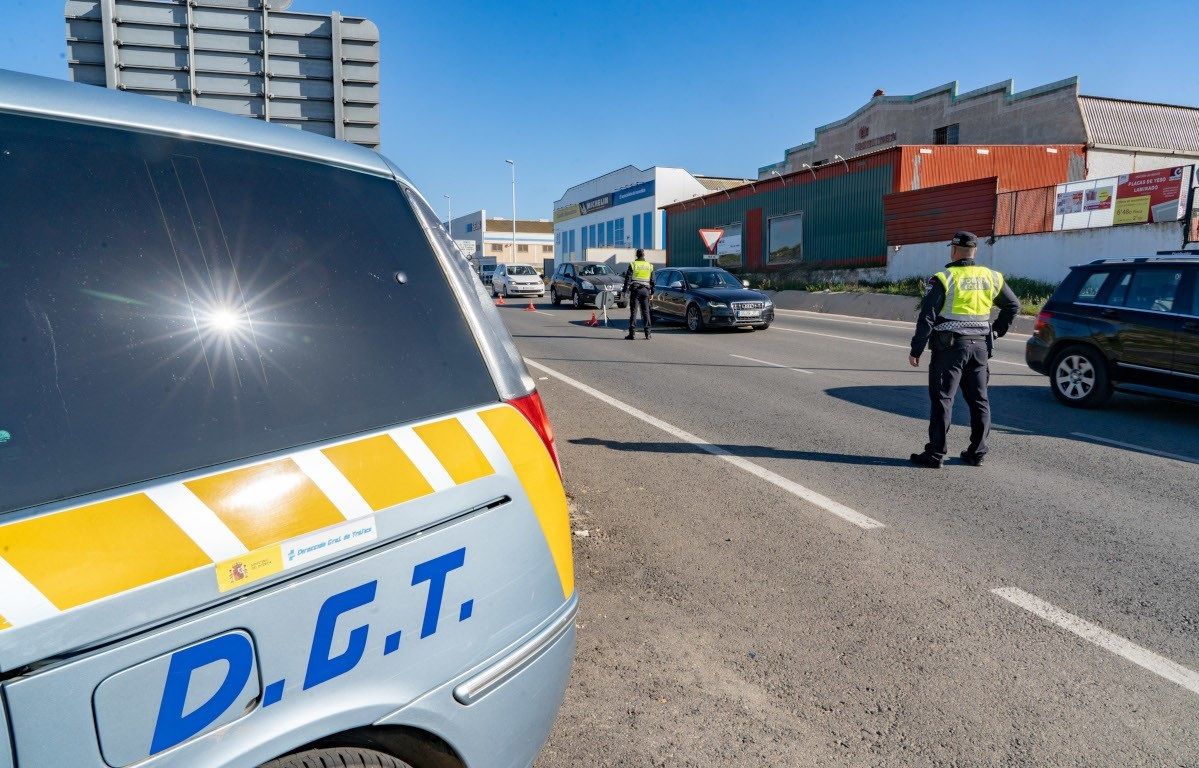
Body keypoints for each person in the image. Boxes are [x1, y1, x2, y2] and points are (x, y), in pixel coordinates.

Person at [908, 231, 1020, 468]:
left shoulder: (945, 278)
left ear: (953, 250)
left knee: (943, 399)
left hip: (950, 348)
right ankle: (977, 453)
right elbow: (1013, 305)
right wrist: (997, 331)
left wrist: (916, 348)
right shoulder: (991, 276)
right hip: (980, 346)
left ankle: (935, 454)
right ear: (975, 251)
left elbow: (927, 316)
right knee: (979, 400)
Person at [623, 249, 654, 340]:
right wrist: (652, 292)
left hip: (635, 290)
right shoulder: (649, 265)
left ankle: (632, 334)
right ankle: (648, 334)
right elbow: (653, 281)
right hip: (646, 291)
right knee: (646, 312)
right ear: (644, 255)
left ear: (636, 255)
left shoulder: (633, 264)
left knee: (634, 312)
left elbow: (628, 279)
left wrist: (625, 291)